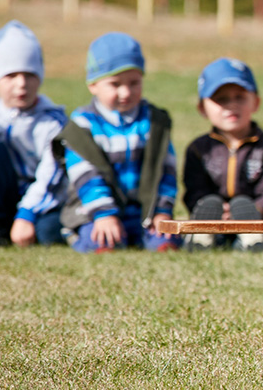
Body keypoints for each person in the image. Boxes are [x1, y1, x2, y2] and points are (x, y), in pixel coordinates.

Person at [60, 32, 181, 252]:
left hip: (143, 213)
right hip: (94, 212)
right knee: (100, 240)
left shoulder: (154, 122)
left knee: (166, 239)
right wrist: (104, 214)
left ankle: (154, 238)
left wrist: (162, 211)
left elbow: (166, 170)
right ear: (93, 85)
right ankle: (89, 236)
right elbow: (85, 176)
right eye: (115, 84)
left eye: (134, 83)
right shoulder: (82, 126)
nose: (125, 92)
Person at [0, 21, 68, 247]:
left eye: (29, 75)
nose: (21, 84)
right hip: (2, 199)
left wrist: (27, 214)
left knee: (48, 232)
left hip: (40, 204)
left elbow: (51, 174)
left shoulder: (52, 122)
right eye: (11, 75)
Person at [182, 58, 263, 252]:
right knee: (207, 207)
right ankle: (203, 236)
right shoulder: (199, 149)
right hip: (214, 218)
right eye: (221, 99)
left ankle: (251, 238)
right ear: (202, 108)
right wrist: (216, 210)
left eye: (240, 97)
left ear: (256, 102)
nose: (231, 105)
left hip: (256, 218)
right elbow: (194, 190)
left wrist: (251, 210)